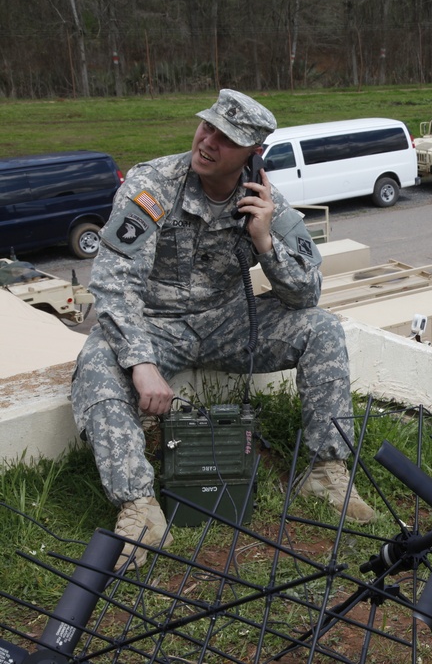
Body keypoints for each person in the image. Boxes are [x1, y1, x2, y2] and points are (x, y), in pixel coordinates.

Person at [71, 89, 375, 571]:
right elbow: (111, 283)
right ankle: (140, 506)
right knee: (95, 364)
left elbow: (305, 293)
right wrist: (142, 365)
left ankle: (326, 469)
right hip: (156, 327)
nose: (207, 141)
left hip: (227, 323)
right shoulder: (152, 186)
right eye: (207, 126)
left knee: (322, 329)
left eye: (226, 138)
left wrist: (264, 239)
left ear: (252, 153)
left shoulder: (264, 200)